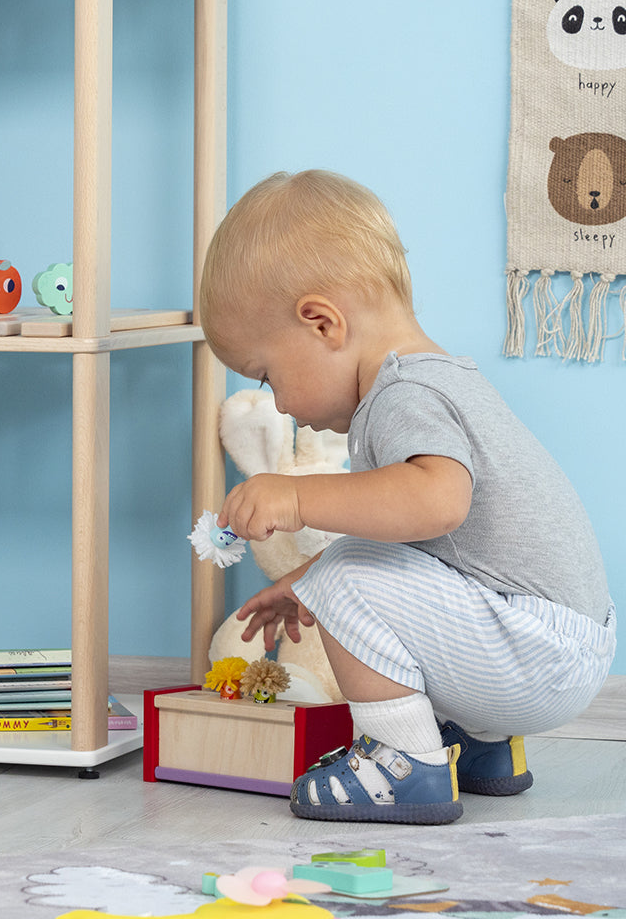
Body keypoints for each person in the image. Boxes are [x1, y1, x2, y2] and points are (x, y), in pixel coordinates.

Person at [199, 169, 617, 824]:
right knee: (343, 571)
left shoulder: (403, 398)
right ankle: (483, 747)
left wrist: (299, 500)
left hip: (537, 655)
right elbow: (426, 540)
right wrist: (303, 581)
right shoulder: (434, 381)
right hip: (559, 644)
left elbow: (437, 505)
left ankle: (403, 763)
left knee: (347, 574)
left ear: (321, 323)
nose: (276, 401)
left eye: (267, 373)